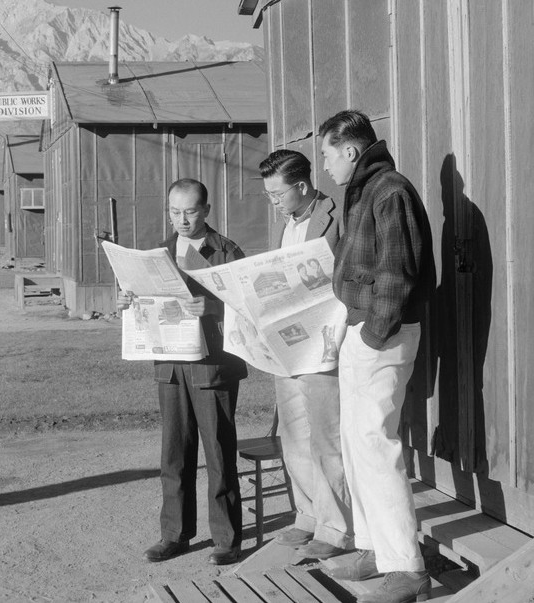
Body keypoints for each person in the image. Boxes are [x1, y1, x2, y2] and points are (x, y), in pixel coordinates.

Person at [318, 109, 434, 603]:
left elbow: (396, 273)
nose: (323, 165)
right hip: (363, 329)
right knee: (356, 442)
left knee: (375, 443)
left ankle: (406, 568)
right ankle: (372, 549)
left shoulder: (390, 190)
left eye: (326, 154)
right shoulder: (363, 190)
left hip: (380, 335)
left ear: (349, 150)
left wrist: (372, 334)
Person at [118, 178, 247, 566]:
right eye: (175, 212)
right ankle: (174, 535)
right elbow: (143, 303)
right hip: (170, 365)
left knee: (219, 453)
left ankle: (226, 539)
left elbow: (248, 306)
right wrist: (127, 299)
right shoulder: (158, 253)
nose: (182, 220)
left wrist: (214, 308)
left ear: (206, 210)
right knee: (174, 453)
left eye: (190, 211)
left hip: (213, 367)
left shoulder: (227, 252)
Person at [259, 149, 352, 560]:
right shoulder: (284, 223)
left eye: (278, 195)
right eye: (268, 196)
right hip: (287, 345)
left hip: (323, 344)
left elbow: (347, 274)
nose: (273, 203)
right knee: (292, 434)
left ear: (301, 186)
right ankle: (307, 516)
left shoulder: (337, 215)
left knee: (325, 437)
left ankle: (336, 529)